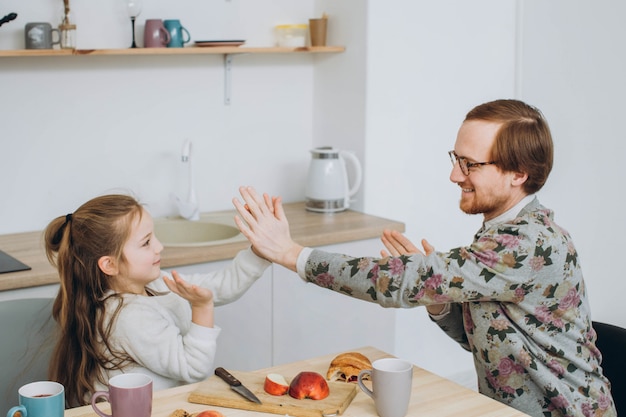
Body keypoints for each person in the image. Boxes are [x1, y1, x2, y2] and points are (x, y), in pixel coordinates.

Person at [232, 99, 617, 417]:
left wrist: (290, 253)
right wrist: (438, 302)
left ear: (518, 173)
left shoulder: (524, 243)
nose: (454, 174)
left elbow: (395, 281)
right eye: (456, 157)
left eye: (471, 164)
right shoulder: (502, 232)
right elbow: (485, 343)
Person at [43, 194, 270, 407]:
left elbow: (220, 285)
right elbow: (193, 367)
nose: (159, 247)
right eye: (146, 242)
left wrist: (260, 251)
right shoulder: (127, 316)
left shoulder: (154, 284)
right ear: (110, 265)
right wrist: (202, 307)